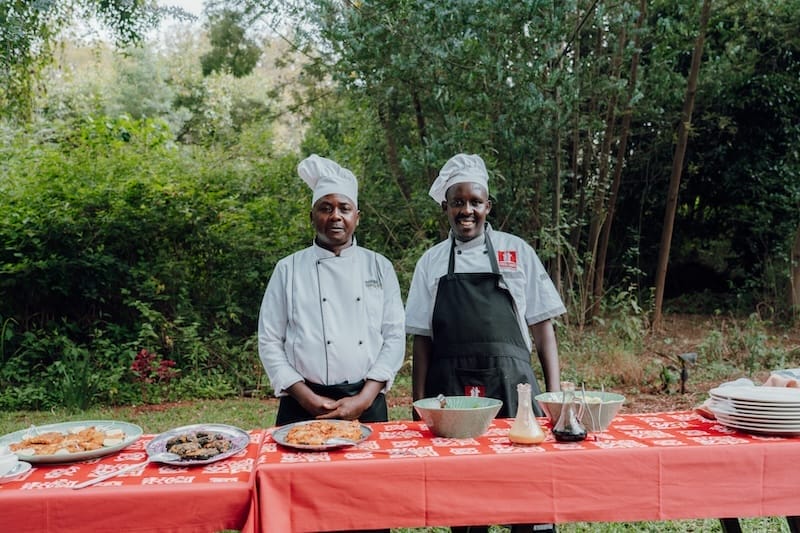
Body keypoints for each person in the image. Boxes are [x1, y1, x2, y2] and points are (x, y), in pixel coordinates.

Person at [405, 153, 566, 533]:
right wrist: (418, 405)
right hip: (451, 392)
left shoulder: (517, 252)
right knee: (465, 495)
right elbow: (422, 341)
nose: (467, 210)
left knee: (526, 486)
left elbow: (543, 329)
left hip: (514, 385)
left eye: (475, 202)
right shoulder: (431, 262)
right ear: (445, 207)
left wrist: (554, 398)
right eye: (458, 202)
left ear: (488, 206)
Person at [257, 154, 405, 428]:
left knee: (367, 471)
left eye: (344, 208)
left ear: (357, 217)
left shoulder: (379, 266)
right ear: (312, 216)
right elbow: (269, 340)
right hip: (301, 403)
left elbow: (394, 336)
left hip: (367, 402)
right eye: (326, 207)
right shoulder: (288, 269)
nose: (335, 215)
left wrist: (365, 398)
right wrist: (306, 397)